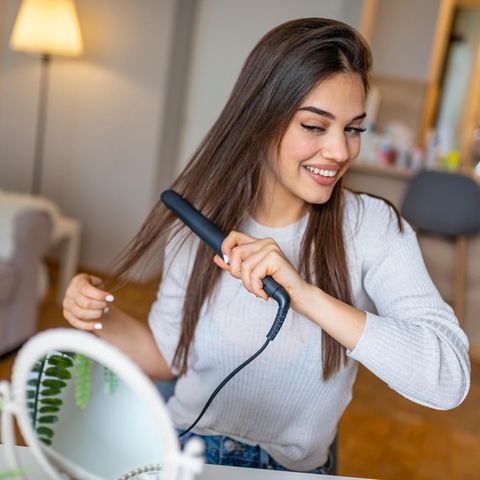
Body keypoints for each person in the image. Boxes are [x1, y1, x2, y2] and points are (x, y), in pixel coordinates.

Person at [63, 18, 470, 475]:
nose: (339, 150)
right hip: (186, 453)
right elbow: (166, 358)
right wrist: (98, 314)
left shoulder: (373, 229)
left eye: (354, 129)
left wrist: (304, 295)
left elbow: (448, 377)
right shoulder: (199, 227)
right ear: (261, 119)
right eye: (315, 126)